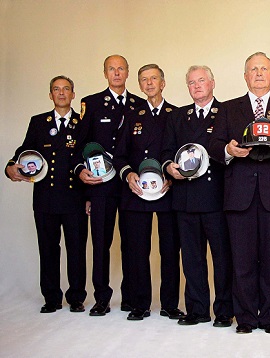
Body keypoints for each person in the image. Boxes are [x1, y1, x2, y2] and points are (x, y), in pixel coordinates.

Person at [209, 52, 270, 334]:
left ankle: (269, 317)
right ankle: (245, 318)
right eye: (253, 69)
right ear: (245, 76)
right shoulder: (229, 109)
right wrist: (229, 150)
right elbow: (214, 145)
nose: (259, 73)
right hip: (239, 194)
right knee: (241, 260)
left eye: (264, 68)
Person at [5, 76, 88, 313]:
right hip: (45, 198)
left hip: (75, 198)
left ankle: (76, 297)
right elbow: (24, 151)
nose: (61, 93)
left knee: (76, 249)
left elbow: (90, 158)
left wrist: (91, 197)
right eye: (56, 89)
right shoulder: (39, 122)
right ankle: (51, 297)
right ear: (50, 95)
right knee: (48, 248)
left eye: (66, 89)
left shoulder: (83, 122)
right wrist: (10, 166)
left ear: (73, 94)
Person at [74, 54, 146, 316]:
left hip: (130, 185)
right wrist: (81, 172)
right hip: (101, 186)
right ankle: (101, 297)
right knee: (101, 242)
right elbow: (80, 146)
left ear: (127, 73)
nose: (116, 73)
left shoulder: (139, 104)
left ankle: (130, 297)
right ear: (105, 73)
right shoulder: (91, 104)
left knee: (132, 242)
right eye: (111, 69)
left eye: (121, 69)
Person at [162, 65, 233, 327]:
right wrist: (169, 166)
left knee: (223, 258)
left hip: (217, 197)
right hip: (185, 197)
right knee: (191, 258)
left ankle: (225, 310)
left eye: (201, 81)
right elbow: (166, 150)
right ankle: (197, 309)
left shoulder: (227, 112)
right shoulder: (178, 117)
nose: (197, 86)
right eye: (191, 83)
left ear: (213, 83)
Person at [113, 64, 182, 321]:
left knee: (170, 250)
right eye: (144, 80)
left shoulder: (177, 115)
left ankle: (170, 304)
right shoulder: (132, 116)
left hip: (167, 191)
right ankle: (139, 304)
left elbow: (181, 154)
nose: (149, 83)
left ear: (163, 83)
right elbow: (119, 155)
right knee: (137, 249)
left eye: (154, 78)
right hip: (137, 192)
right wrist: (128, 174)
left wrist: (173, 177)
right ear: (140, 85)